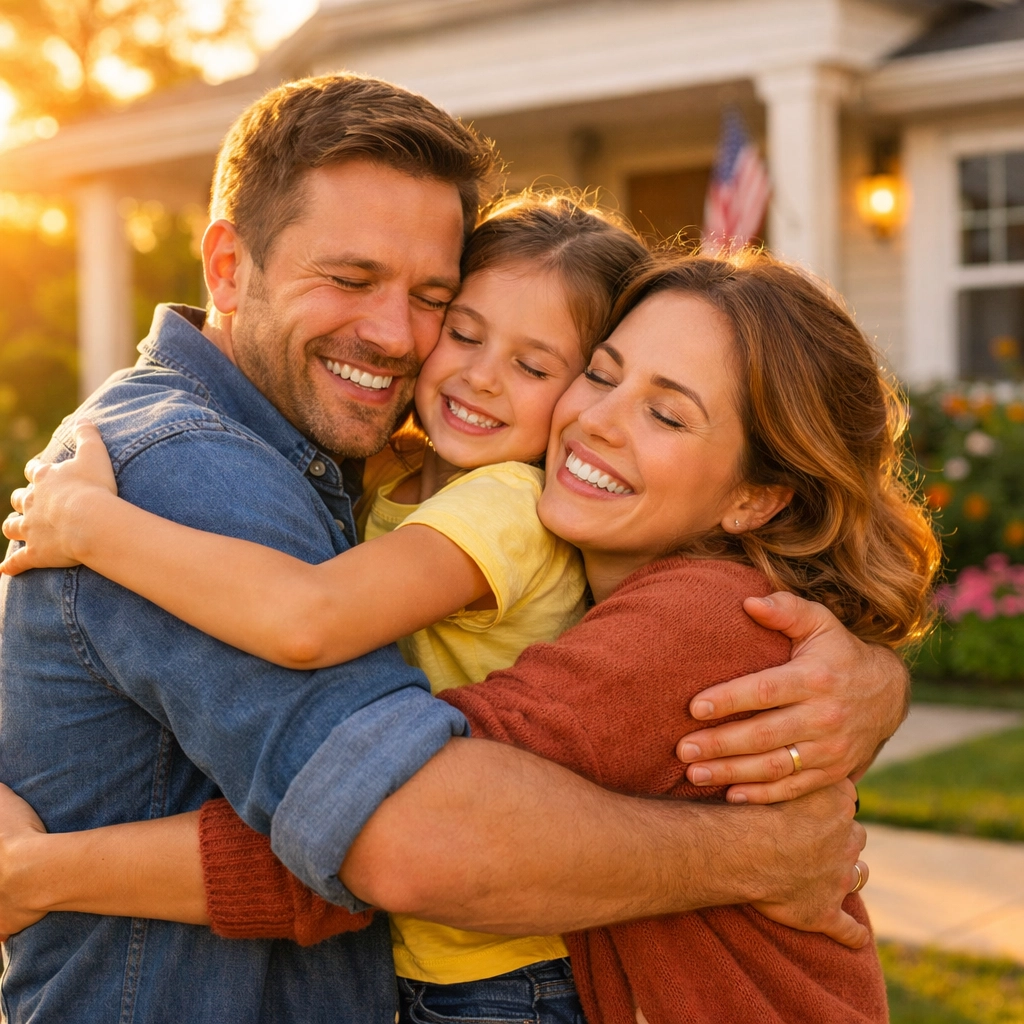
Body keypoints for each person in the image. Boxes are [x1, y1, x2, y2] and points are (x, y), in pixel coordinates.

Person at [0, 73, 906, 1024]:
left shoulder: (474, 501)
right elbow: (411, 833)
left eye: (431, 296)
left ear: (759, 495)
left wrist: (871, 684)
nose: (397, 336)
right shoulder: (200, 470)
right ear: (228, 268)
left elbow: (408, 828)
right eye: (352, 279)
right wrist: (764, 852)